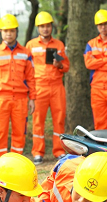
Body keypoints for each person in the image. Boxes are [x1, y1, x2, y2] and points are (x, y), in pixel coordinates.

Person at [0, 15, 36, 166]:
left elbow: (31, 77)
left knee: (20, 133)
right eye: (6, 31)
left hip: (21, 99)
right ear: (1, 32)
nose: (9, 34)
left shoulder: (26, 53)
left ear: (16, 32)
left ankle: (15, 166)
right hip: (1, 99)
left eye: (12, 30)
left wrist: (32, 98)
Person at [25, 11, 69, 165]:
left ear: (52, 27)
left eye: (48, 26)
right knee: (38, 121)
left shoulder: (59, 45)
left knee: (59, 119)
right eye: (42, 26)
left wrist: (60, 65)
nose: (45, 29)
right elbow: (26, 68)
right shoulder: (31, 45)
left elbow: (66, 66)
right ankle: (38, 152)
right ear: (38, 28)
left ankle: (59, 151)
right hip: (39, 87)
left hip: (57, 86)